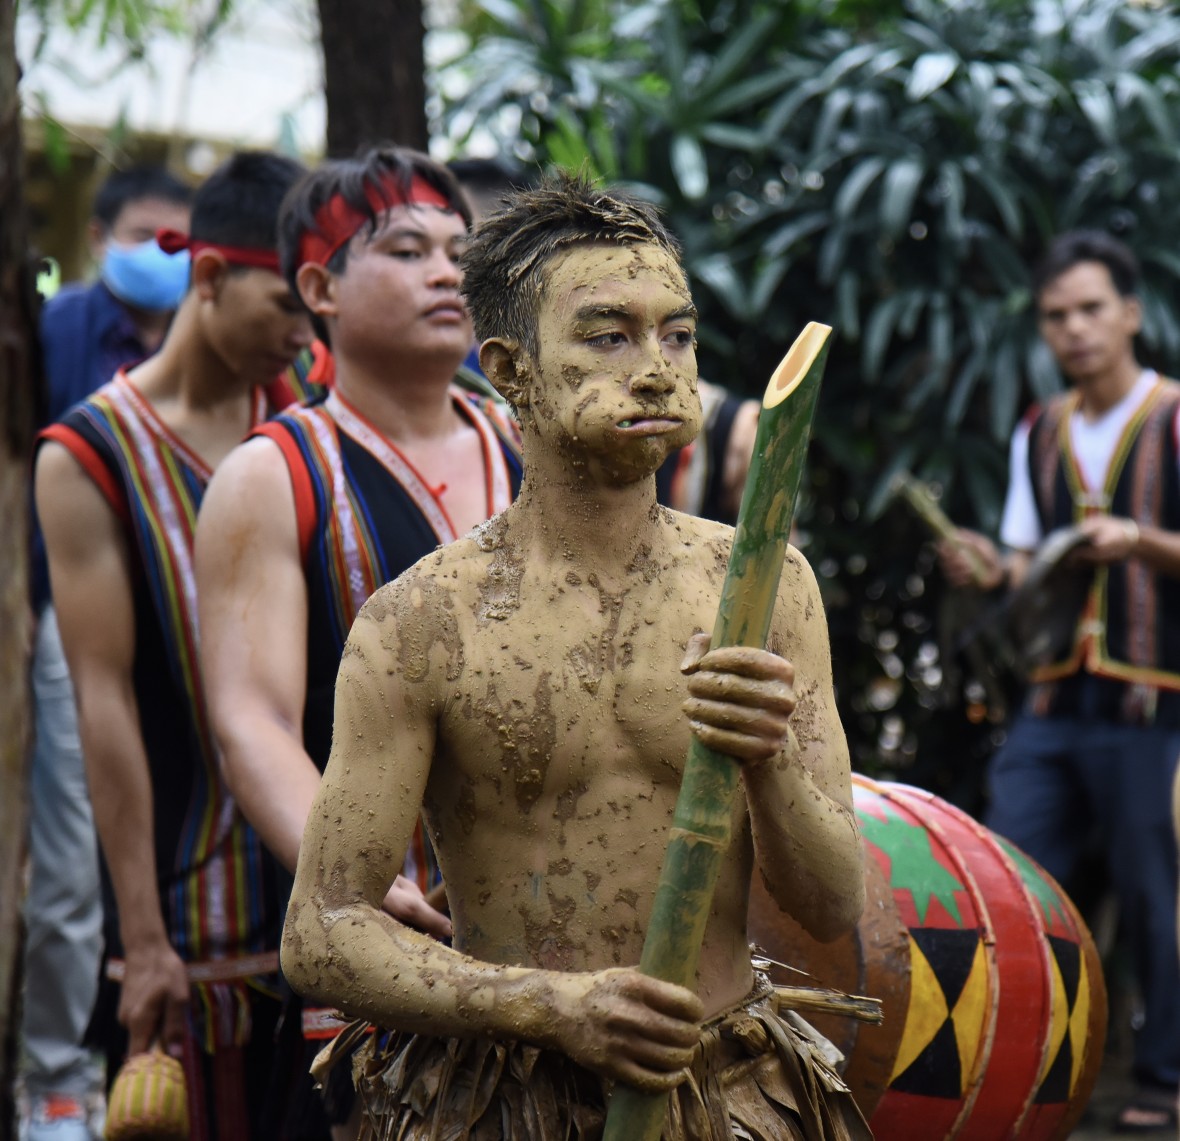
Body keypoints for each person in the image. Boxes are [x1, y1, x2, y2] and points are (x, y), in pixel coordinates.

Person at [281, 174, 869, 1140]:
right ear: (510, 369)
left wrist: (766, 760)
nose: (656, 368)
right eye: (609, 335)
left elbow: (832, 901)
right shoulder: (421, 623)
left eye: (676, 334)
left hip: (726, 1090)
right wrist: (547, 1007)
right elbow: (322, 932)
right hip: (507, 1098)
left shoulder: (762, 583)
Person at [194, 146, 523, 1137]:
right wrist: (354, 877)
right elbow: (250, 718)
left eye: (461, 251)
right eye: (408, 248)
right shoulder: (273, 473)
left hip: (553, 921)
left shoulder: (533, 443)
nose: (446, 272)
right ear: (319, 287)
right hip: (387, 943)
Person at [34, 151, 314, 1140]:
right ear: (208, 278)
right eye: (284, 302)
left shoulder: (308, 411)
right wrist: (140, 935)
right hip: (187, 902)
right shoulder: (88, 455)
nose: (299, 329)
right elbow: (100, 701)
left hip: (322, 892)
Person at [940, 230, 1180, 1134]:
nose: (1073, 330)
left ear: (1131, 312)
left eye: (1090, 309)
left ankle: (1165, 1078)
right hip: (1052, 699)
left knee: (1159, 893)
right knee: (1009, 875)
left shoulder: (1175, 417)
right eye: (1056, 316)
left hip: (1153, 703)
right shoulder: (1039, 429)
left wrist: (1144, 541)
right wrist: (983, 565)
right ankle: (1013, 1067)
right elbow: (1021, 556)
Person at [23, 164, 193, 1141]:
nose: (166, 257)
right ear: (98, 238)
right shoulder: (58, 331)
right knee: (69, 859)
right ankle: (53, 1079)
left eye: (184, 241)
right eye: (145, 235)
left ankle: (168, 1054)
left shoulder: (219, 341)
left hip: (186, 624)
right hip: (69, 627)